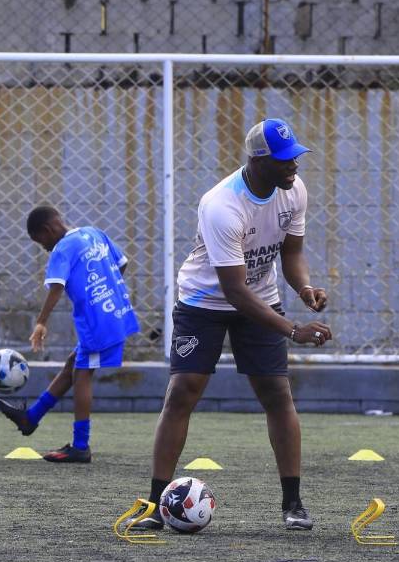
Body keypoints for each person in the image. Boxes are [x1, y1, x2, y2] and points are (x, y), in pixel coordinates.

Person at [132, 118, 332, 531]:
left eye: (295, 156)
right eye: (284, 159)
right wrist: (292, 329)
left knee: (276, 392)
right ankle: (154, 504)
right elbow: (234, 291)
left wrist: (304, 288)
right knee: (183, 391)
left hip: (260, 296)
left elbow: (291, 253)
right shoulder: (222, 205)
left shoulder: (294, 190)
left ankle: (293, 504)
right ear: (257, 161)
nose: (293, 165)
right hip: (204, 301)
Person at [0, 206, 140, 463]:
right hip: (114, 312)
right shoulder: (94, 233)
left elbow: (56, 287)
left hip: (96, 322)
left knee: (82, 374)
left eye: (40, 241)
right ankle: (30, 418)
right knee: (73, 365)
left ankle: (80, 446)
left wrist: (41, 322)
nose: (43, 248)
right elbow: (122, 263)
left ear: (47, 230)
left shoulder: (62, 248)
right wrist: (105, 290)